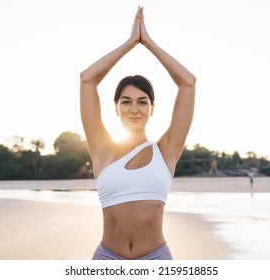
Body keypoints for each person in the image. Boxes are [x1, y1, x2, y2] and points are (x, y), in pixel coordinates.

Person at [79, 6, 196, 260]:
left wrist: (149, 43)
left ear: (152, 108)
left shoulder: (166, 150)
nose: (134, 109)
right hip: (107, 260)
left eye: (142, 102)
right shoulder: (102, 150)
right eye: (126, 101)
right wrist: (131, 42)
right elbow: (87, 79)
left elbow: (188, 82)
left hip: (156, 259)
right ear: (116, 108)